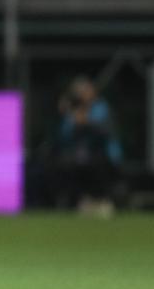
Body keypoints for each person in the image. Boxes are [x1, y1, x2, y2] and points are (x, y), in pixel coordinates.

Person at [51, 76, 122, 214]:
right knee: (64, 164)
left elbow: (102, 132)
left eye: (84, 91)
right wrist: (69, 113)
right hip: (79, 155)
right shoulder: (73, 112)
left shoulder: (100, 108)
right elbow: (64, 135)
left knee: (94, 163)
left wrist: (81, 119)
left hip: (104, 154)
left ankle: (102, 199)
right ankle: (81, 200)